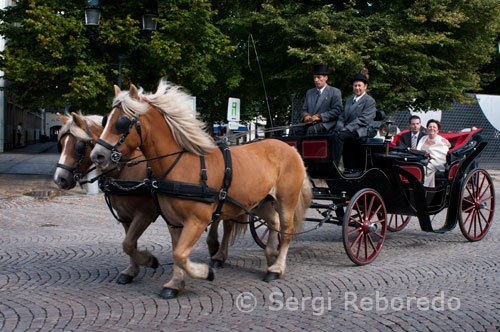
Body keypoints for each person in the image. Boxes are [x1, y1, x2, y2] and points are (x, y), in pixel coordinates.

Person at [331, 73, 376, 169]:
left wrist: (347, 128)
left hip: (361, 130)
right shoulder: (349, 101)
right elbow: (342, 116)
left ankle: (334, 165)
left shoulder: (369, 101)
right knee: (333, 134)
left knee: (338, 136)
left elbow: (363, 120)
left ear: (365, 87)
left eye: (359, 85)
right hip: (348, 130)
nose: (357, 88)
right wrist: (340, 127)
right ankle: (344, 167)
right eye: (355, 85)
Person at [295, 64, 343, 135]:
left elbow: (337, 110)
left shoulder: (335, 92)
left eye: (318, 77)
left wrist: (319, 117)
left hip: (326, 124)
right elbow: (304, 109)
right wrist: (306, 116)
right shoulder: (309, 92)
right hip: (310, 123)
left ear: (326, 78)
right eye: (314, 78)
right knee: (294, 129)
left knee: (311, 130)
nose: (316, 80)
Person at [416, 119, 451, 187]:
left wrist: (431, 160)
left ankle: (423, 187)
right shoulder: (423, 139)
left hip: (436, 162)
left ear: (437, 130)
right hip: (422, 160)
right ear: (427, 128)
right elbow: (418, 150)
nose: (432, 128)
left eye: (434, 127)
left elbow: (443, 155)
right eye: (430, 127)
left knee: (426, 168)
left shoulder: (442, 141)